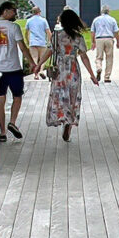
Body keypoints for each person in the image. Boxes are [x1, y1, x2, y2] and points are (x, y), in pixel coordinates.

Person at [34, 8, 99, 142]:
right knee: (72, 96)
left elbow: (49, 51)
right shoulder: (78, 38)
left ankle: (62, 117)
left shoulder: (56, 36)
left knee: (60, 94)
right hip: (73, 70)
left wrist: (39, 64)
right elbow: (84, 57)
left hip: (60, 70)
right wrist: (92, 75)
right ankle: (69, 123)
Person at [0, 1, 34, 143]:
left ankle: (2, 132)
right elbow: (22, 48)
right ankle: (13, 122)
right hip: (14, 68)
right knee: (17, 96)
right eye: (13, 11)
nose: (15, 13)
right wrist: (32, 62)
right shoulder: (14, 27)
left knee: (0, 99)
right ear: (5, 11)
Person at [90, 5, 119, 83]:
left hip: (99, 39)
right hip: (109, 38)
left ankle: (98, 67)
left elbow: (92, 32)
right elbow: (116, 32)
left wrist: (93, 42)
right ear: (108, 11)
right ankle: (107, 77)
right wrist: (118, 42)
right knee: (109, 58)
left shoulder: (96, 20)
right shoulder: (112, 20)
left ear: (101, 11)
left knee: (99, 57)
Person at [24, 6, 52, 79]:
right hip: (42, 42)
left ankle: (35, 74)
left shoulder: (29, 21)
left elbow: (26, 33)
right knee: (43, 58)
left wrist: (27, 41)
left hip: (33, 42)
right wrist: (50, 41)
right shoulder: (43, 20)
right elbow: (48, 32)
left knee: (34, 58)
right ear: (39, 12)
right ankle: (41, 71)